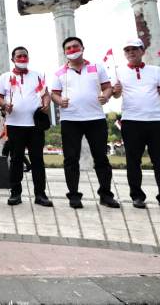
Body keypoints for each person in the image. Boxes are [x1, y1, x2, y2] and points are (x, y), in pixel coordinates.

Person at [50, 36, 120, 209]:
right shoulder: (60, 72)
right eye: (69, 48)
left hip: (95, 118)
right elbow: (54, 93)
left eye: (75, 46)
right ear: (65, 52)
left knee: (101, 158)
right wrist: (59, 101)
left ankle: (106, 195)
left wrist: (106, 95)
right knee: (71, 159)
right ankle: (74, 195)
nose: (72, 50)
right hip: (70, 120)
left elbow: (108, 87)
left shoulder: (97, 67)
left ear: (82, 47)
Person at [112, 39, 160, 211]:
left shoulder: (155, 70)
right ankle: (137, 196)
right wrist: (116, 91)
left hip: (156, 121)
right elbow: (117, 96)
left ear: (142, 50)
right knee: (133, 161)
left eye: (134, 49)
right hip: (131, 121)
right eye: (127, 50)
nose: (131, 52)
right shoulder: (118, 72)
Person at [0, 46, 53, 207]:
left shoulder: (37, 75)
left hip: (35, 125)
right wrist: (5, 104)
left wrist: (47, 102)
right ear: (13, 59)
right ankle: (15, 193)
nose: (22, 58)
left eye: (25, 56)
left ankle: (40, 194)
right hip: (14, 124)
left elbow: (45, 94)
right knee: (16, 160)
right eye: (19, 56)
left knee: (37, 160)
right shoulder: (5, 77)